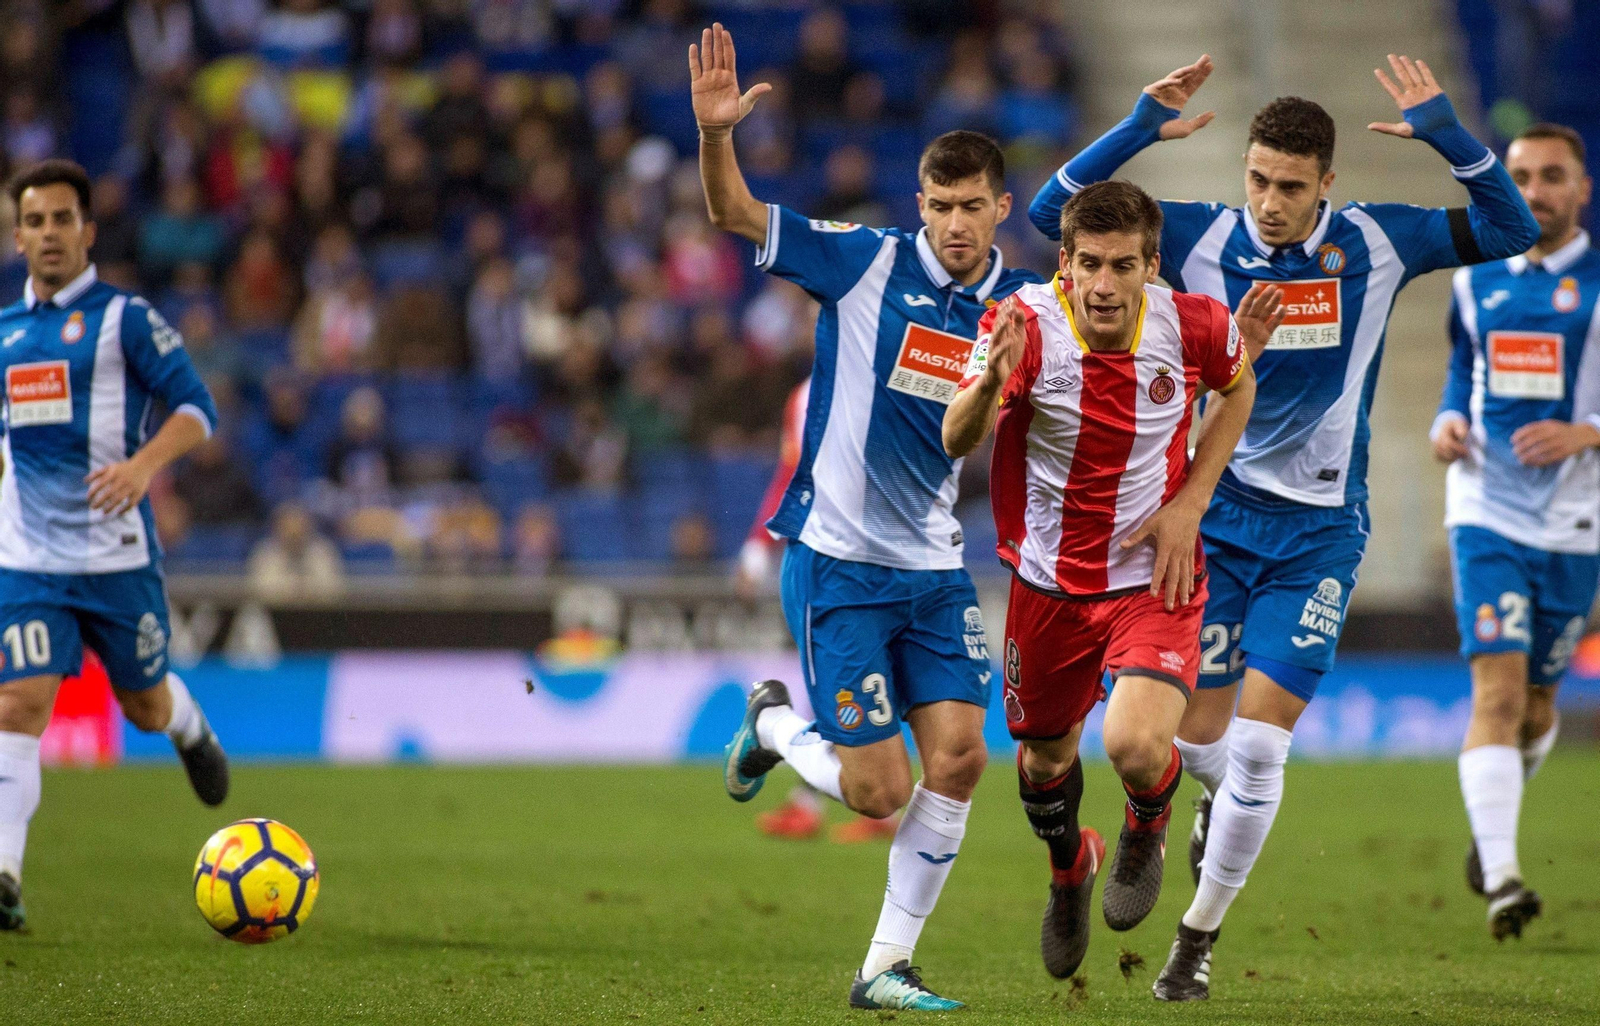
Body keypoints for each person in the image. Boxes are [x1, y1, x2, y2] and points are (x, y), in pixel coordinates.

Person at [1027, 55, 1539, 999]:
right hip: (1209, 523)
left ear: (1326, 187)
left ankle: (1195, 940)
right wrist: (1139, 125)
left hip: (1319, 535)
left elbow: (1514, 225)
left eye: (1290, 186)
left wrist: (1449, 136)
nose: (1268, 200)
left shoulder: (1381, 243)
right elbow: (1047, 219)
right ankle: (1200, 811)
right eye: (1258, 179)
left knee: (1262, 751)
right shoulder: (1199, 239)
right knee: (1193, 746)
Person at [692, 23, 1040, 1010]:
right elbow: (730, 208)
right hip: (838, 562)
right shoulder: (859, 263)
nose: (956, 225)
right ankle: (772, 730)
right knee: (881, 791)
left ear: (1001, 208)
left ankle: (884, 965)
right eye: (939, 207)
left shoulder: (1022, 307)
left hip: (932, 570)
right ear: (918, 204)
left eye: (973, 207)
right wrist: (718, 135)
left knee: (965, 758)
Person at [945, 179, 1268, 981]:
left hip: (1151, 577)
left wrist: (1191, 504)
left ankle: (1145, 825)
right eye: (1088, 263)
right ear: (1065, 261)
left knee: (1132, 742)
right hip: (1047, 587)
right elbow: (957, 436)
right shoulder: (1023, 325)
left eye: (1123, 266)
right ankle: (1069, 870)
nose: (1103, 284)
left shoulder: (1193, 325)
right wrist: (991, 380)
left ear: (1151, 267)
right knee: (1044, 765)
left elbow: (1238, 386)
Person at [0, 159, 230, 930]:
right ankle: (4, 870)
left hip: (114, 556)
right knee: (18, 703)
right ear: (18, 234)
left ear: (87, 231)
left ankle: (190, 725)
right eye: (34, 221)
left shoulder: (125, 319)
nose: (48, 234)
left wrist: (141, 466)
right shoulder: (1, 334)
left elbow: (198, 410)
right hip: (27, 556)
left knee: (142, 703)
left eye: (62, 219)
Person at [1430, 122, 1599, 940]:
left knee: (1535, 707)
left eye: (1551, 176)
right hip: (1487, 508)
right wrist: (1449, 418)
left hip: (1575, 521)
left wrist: (1588, 431)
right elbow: (1464, 367)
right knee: (1496, 692)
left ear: (1582, 189)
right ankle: (1503, 876)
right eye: (1522, 175)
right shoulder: (1478, 277)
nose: (1533, 191)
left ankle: (1492, 818)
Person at [734, 376, 901, 845]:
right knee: (847, 682)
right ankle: (828, 802)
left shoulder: (902, 366)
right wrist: (758, 545)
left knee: (869, 682)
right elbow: (793, 473)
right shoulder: (808, 393)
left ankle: (788, 750)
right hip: (836, 558)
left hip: (897, 557)